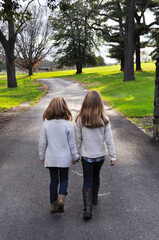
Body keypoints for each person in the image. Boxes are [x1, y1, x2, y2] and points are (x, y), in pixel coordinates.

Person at [74, 90, 116, 220]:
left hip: (86, 156)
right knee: (96, 176)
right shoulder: (104, 119)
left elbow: (77, 140)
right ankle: (94, 198)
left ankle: (87, 209)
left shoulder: (81, 119)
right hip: (100, 156)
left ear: (85, 102)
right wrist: (112, 156)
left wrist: (75, 155)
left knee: (87, 179)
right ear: (100, 103)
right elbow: (109, 139)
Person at [39, 97, 79, 213]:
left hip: (51, 158)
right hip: (64, 159)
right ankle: (61, 198)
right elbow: (72, 144)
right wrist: (75, 157)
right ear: (65, 108)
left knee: (53, 180)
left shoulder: (46, 124)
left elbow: (42, 143)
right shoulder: (67, 124)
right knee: (64, 178)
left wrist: (42, 157)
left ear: (50, 109)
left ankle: (53, 203)